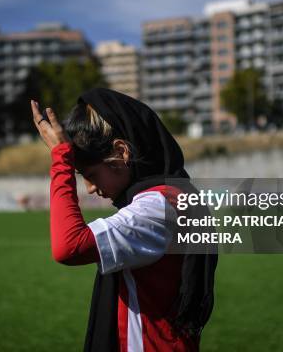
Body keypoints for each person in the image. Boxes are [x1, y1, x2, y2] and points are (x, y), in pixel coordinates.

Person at [30, 88, 217, 352]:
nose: (91, 188)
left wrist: (61, 159)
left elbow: (69, 247)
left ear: (121, 152)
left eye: (91, 174)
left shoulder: (159, 205)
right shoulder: (172, 195)